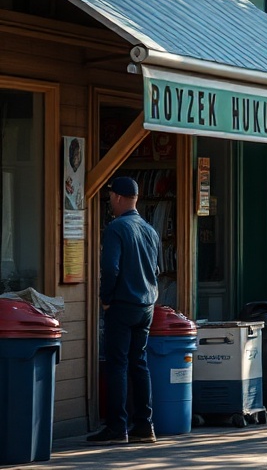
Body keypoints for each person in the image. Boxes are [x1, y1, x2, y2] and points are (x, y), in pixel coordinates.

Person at [89, 176, 160, 445]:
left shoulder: (116, 228)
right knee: (139, 364)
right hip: (146, 306)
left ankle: (118, 427)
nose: (110, 202)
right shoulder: (150, 230)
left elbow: (110, 268)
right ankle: (145, 425)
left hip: (121, 304)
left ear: (118, 198)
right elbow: (155, 270)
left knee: (117, 365)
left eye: (110, 198)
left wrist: (105, 298)